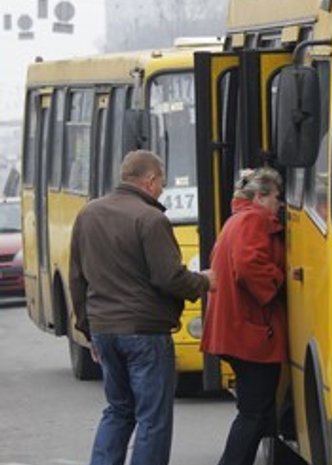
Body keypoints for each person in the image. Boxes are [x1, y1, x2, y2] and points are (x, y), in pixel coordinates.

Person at [69, 150, 213, 465]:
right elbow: (169, 277)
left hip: (104, 330)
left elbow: (77, 279)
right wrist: (204, 281)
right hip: (145, 332)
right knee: (152, 417)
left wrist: (89, 331)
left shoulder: (88, 215)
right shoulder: (151, 219)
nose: (162, 189)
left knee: (118, 409)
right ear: (149, 180)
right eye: (161, 182)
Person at [200, 167, 287, 465]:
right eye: (276, 197)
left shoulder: (237, 219)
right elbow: (249, 265)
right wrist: (279, 284)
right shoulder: (254, 220)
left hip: (236, 328)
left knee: (256, 411)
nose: (279, 204)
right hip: (250, 331)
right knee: (254, 413)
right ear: (260, 197)